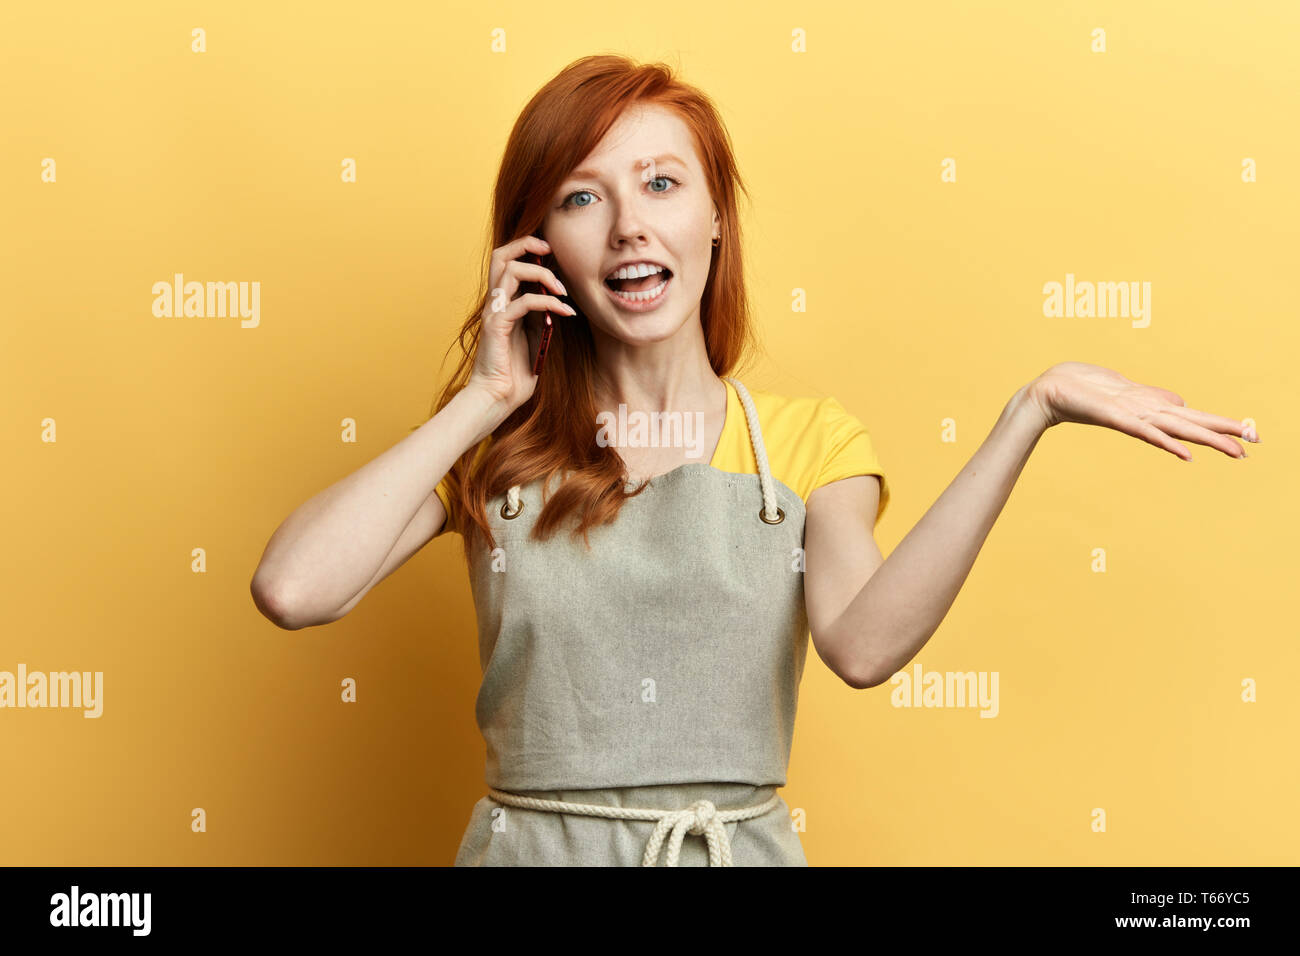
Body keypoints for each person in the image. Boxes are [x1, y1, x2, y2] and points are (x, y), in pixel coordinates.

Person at [249, 55, 1260, 866]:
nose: (631, 224)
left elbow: (862, 648)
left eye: (659, 182)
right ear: (538, 244)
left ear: (715, 216)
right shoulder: (497, 449)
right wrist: (481, 395)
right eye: (581, 197)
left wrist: (1028, 410)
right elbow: (294, 588)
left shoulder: (811, 444)